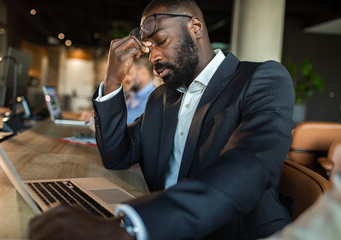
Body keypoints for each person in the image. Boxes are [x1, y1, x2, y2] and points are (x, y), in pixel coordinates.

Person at [29, 0, 295, 239]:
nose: (153, 56)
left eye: (161, 41)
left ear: (195, 27)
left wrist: (131, 227)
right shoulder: (161, 99)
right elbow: (116, 155)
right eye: (149, 48)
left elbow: (248, 168)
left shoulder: (261, 79)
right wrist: (112, 80)